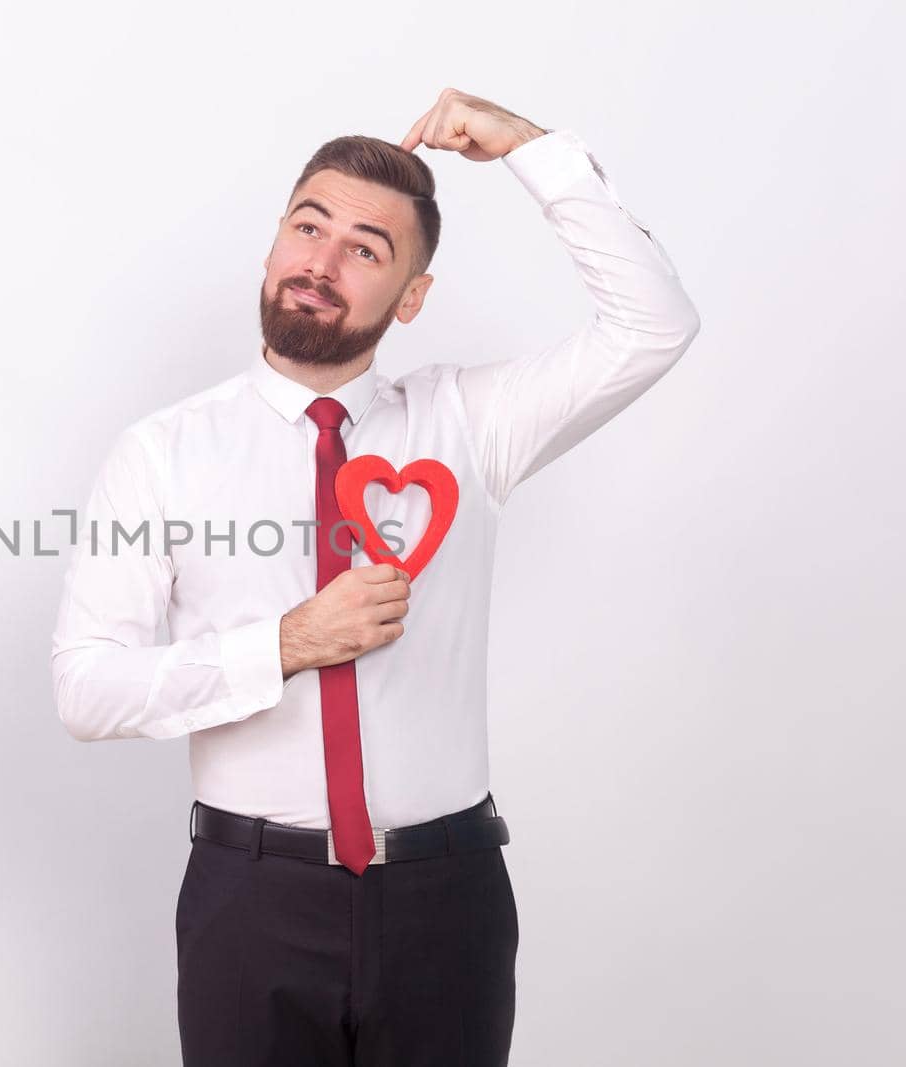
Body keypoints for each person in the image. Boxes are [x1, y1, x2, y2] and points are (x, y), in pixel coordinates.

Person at [50, 87, 701, 1066]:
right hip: (250, 899)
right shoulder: (162, 455)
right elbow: (86, 687)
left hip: (446, 897)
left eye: (364, 247)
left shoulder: (469, 423)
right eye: (307, 227)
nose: (321, 261)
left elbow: (654, 324)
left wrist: (532, 149)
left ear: (409, 295)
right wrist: (284, 644)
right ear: (272, 245)